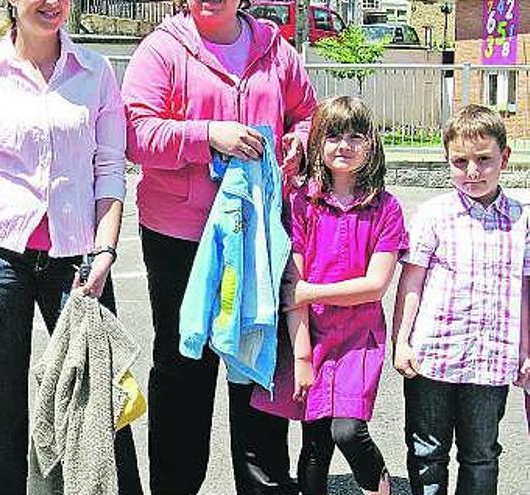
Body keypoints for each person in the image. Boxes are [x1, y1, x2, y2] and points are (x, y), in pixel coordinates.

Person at [0, 0, 142, 493]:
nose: (51, 3)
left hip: (80, 255)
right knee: (0, 398)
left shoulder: (95, 72)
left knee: (99, 392)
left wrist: (106, 252)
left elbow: (110, 170)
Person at [120, 0, 317, 492]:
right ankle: (175, 485)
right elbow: (135, 134)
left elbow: (309, 115)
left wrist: (298, 140)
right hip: (180, 236)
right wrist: (209, 135)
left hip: (258, 235)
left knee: (255, 357)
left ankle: (263, 483)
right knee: (184, 364)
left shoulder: (277, 50)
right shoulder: (162, 50)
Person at [393, 104, 530, 495]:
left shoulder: (522, 219)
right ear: (447, 161)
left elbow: (524, 290)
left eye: (484, 160)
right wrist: (401, 343)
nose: (472, 171)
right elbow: (411, 281)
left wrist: (525, 349)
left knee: (482, 454)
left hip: (492, 361)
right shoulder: (434, 214)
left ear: (504, 157)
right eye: (460, 161)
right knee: (427, 451)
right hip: (434, 356)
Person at [273, 96, 404, 495]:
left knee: (347, 430)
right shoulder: (302, 204)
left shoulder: (386, 208)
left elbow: (375, 285)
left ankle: (379, 485)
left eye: (354, 136)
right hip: (312, 337)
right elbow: (291, 293)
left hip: (358, 340)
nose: (343, 145)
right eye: (332, 135)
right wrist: (300, 357)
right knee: (315, 441)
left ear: (371, 145)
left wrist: (313, 291)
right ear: (317, 144)